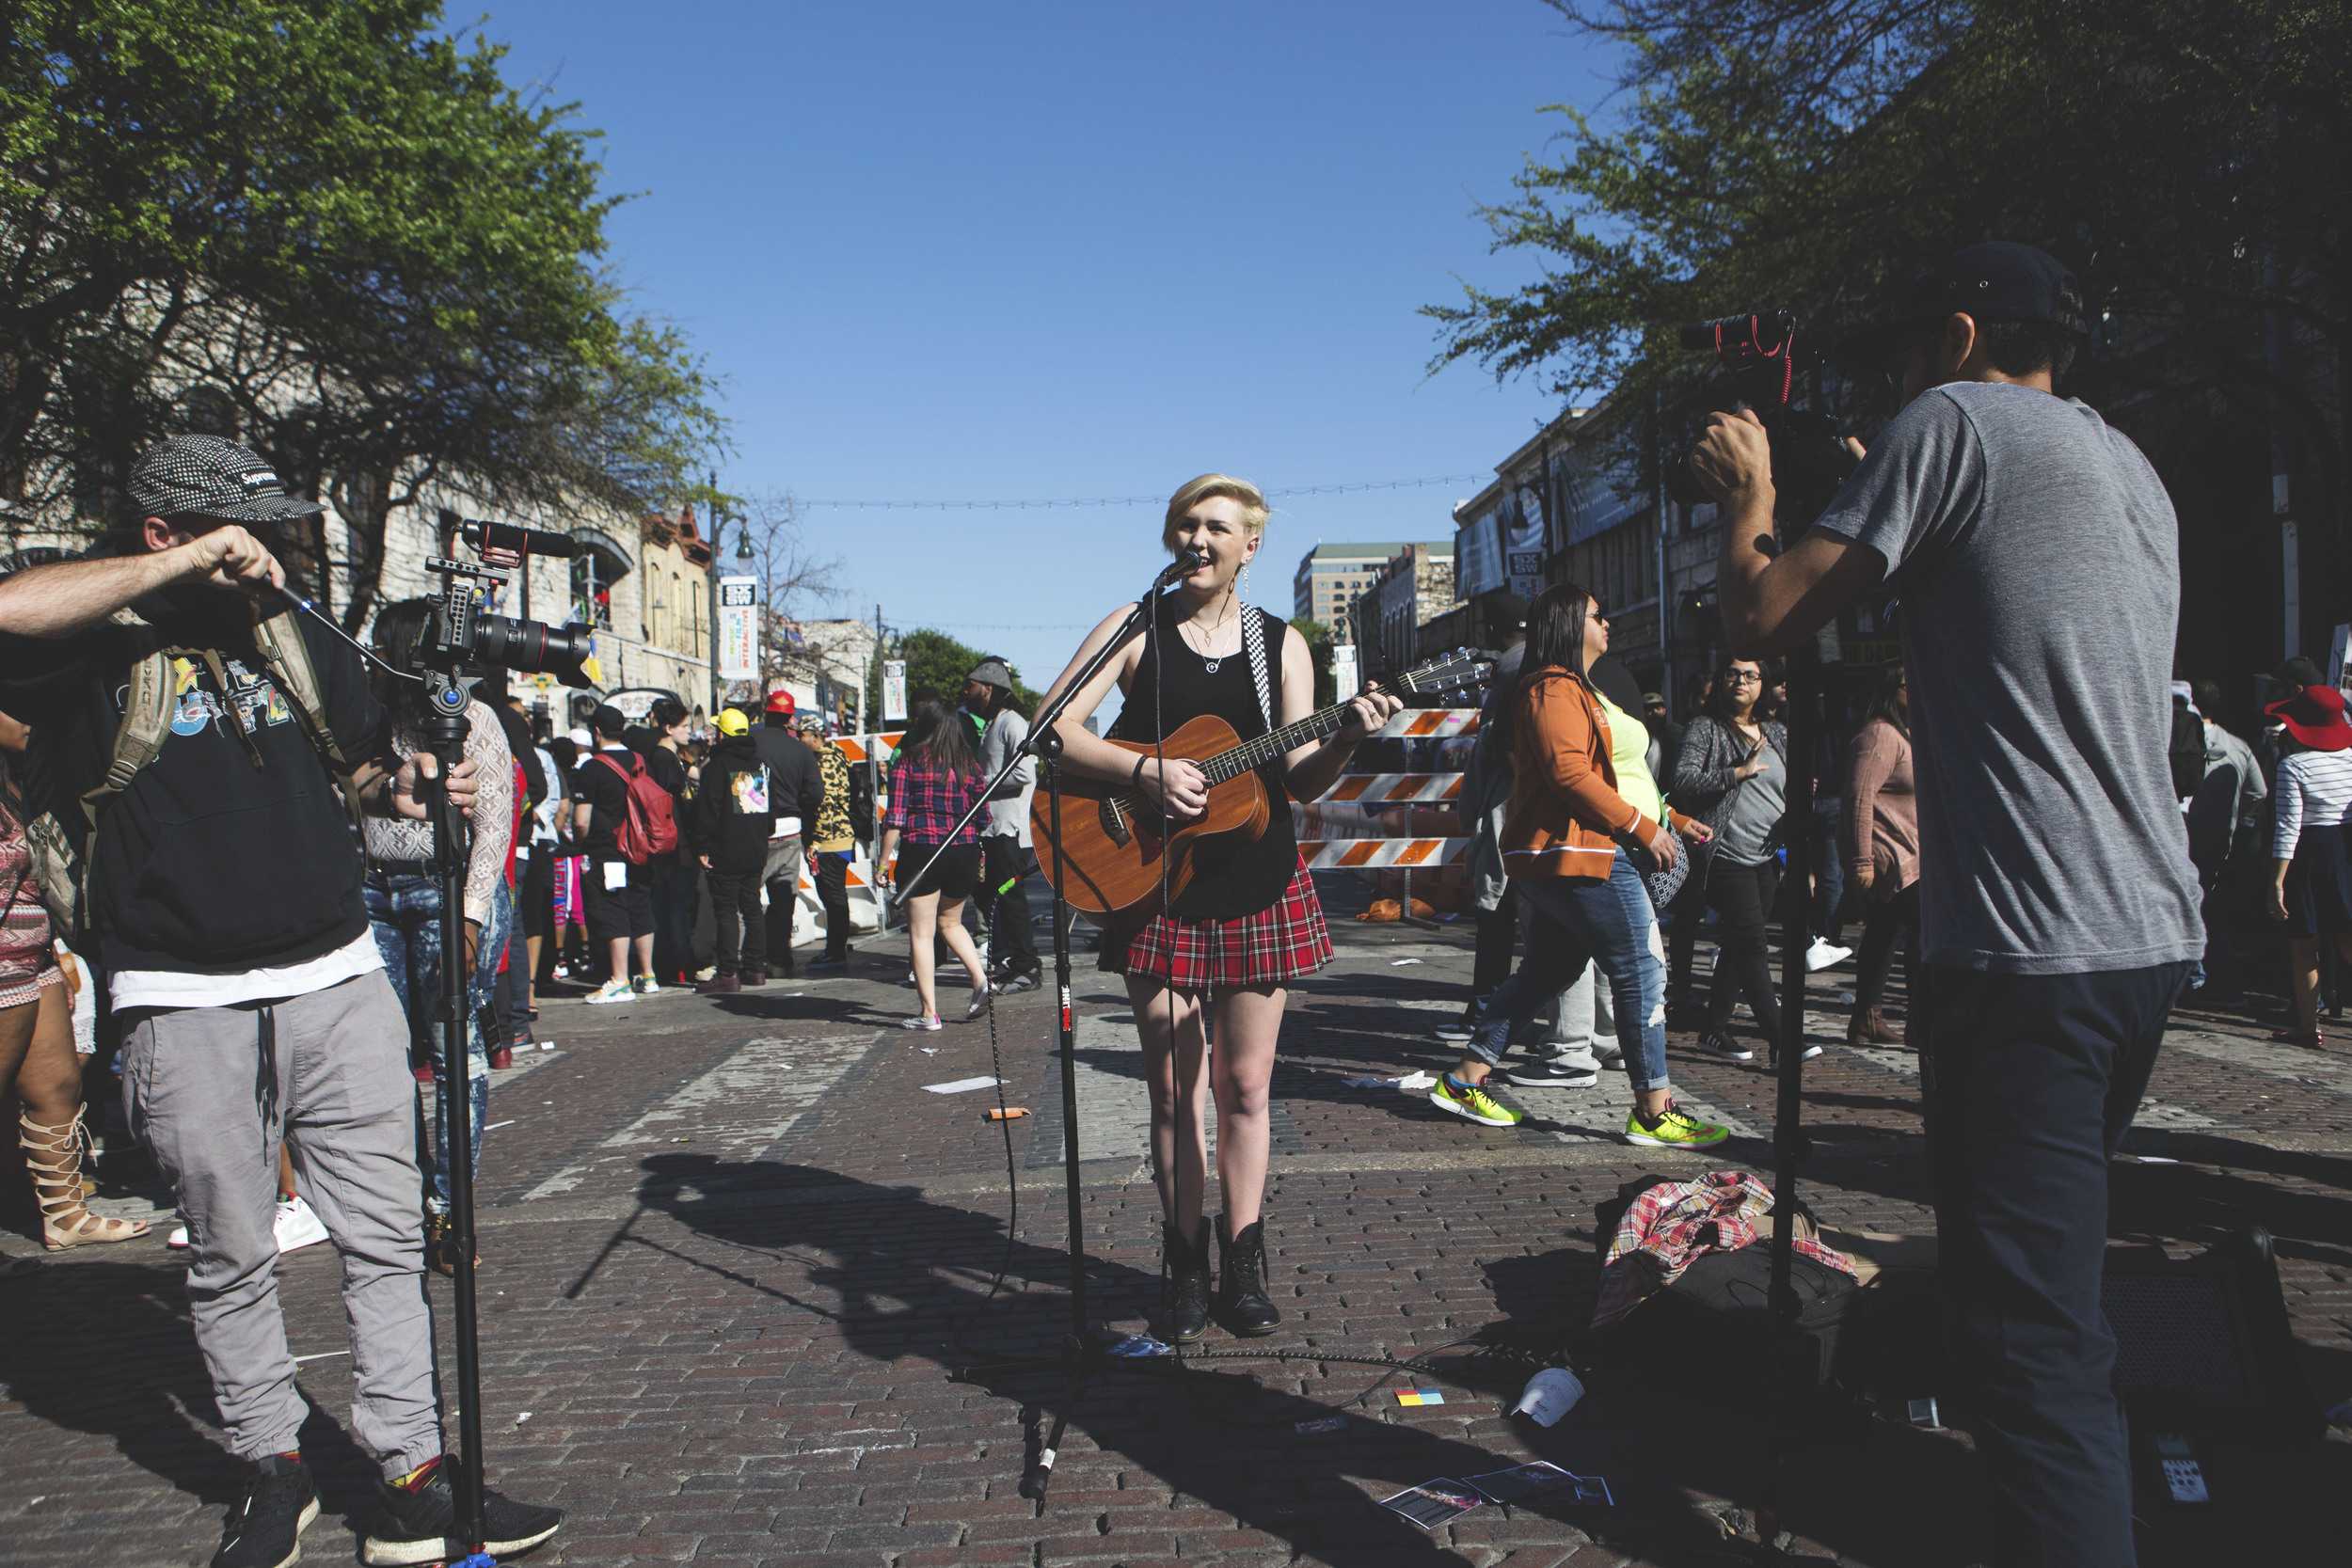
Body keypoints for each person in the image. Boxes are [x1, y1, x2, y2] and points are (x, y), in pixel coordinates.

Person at [1691, 241, 2203, 1568]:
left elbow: (1767, 615)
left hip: (2031, 941)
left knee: (2037, 1343)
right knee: (2030, 1285)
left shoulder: (1953, 419)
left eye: (1909, 354)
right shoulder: (2123, 463)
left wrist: (1748, 490)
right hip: (2143, 929)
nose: (1899, 383)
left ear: (1964, 335)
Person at [0, 436, 558, 1567]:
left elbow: (348, 764)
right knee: (228, 1242)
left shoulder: (293, 629)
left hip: (336, 973)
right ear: (168, 534)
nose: (276, 544)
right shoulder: (87, 639)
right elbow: (7, 610)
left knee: (386, 1233)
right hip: (175, 988)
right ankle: (273, 1461)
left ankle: (409, 1475)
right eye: (247, 527)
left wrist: (399, 785)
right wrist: (173, 571)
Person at [1037, 472, 1402, 1342]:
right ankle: (1183, 1258)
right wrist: (1142, 771)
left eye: (1216, 527)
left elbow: (1300, 781)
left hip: (1258, 883)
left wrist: (1346, 735)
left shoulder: (1282, 646)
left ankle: (1245, 1261)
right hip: (1153, 884)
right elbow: (1053, 722)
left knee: (1244, 1086)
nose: (1196, 539)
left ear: (1252, 545)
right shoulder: (1134, 627)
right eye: (1185, 525)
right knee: (1172, 1092)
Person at [1434, 584, 1726, 1148]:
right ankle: (1653, 1108)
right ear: (1571, 624)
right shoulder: (1552, 689)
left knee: (1550, 970)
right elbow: (1570, 774)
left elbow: (1622, 775)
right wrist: (1643, 829)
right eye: (1598, 615)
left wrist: (1671, 817)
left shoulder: (1579, 690)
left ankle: (1465, 1078)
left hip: (1591, 849)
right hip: (1584, 853)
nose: (1608, 622)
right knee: (1641, 969)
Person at [358, 601, 515, 1269]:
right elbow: (349, 789)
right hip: (375, 890)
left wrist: (472, 915)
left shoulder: (473, 719)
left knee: (455, 1047)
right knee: (381, 1055)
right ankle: (412, 1200)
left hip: (443, 890)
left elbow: (494, 825)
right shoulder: (371, 719)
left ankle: (450, 1208)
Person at [0, 714, 150, 1254]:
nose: (25, 718)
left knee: (57, 1087)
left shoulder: (20, 779)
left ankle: (64, 1214)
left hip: (32, 953)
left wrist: (57, 952)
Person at [1671, 657, 1805, 1065]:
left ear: (1763, 685)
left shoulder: (1777, 733)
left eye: (1751, 675)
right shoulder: (1705, 729)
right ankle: (1782, 1040)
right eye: (1732, 674)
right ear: (1720, 681)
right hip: (1723, 852)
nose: (1741, 681)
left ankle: (1713, 1030)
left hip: (1767, 855)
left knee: (1736, 945)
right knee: (1752, 944)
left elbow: (1792, 786)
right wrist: (1736, 773)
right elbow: (1683, 780)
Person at [877, 700, 990, 1029]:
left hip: (923, 850)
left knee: (922, 933)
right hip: (964, 850)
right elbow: (983, 815)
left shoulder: (907, 762)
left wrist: (883, 863)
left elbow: (895, 818)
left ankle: (929, 1014)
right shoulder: (967, 763)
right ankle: (980, 979)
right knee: (951, 923)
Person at [2264, 684, 2352, 1048]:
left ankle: (2307, 1027)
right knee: (2348, 940)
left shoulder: (2293, 766)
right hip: (2346, 849)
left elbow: (2288, 826)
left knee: (2305, 945)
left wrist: (2277, 880)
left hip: (2310, 854)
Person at [1843, 663, 1918, 1047]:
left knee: (1887, 937)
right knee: (1914, 937)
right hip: (1892, 858)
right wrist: (1861, 861)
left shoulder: (1907, 734)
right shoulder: (1880, 735)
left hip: (1914, 856)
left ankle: (1868, 1016)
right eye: (1910, 683)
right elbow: (1859, 798)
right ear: (1893, 690)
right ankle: (1913, 1019)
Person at [963, 657, 1042, 992]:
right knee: (995, 897)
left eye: (970, 686)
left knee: (1011, 900)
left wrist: (982, 782)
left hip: (1009, 829)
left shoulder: (1011, 723)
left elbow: (1025, 773)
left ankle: (1027, 968)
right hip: (995, 831)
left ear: (988, 688)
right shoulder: (993, 724)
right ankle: (1011, 962)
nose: (965, 692)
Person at [573, 703, 657, 1004]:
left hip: (608, 850)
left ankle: (619, 979)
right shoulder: (640, 760)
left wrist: (581, 843)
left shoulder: (592, 768)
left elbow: (581, 820)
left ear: (597, 732)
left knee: (613, 911)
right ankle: (648, 975)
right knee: (640, 907)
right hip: (642, 848)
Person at [691, 707, 771, 994]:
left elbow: (708, 812)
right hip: (755, 847)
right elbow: (763, 809)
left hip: (725, 849)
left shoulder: (717, 767)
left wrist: (701, 846)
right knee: (752, 907)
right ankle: (756, 967)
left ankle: (728, 973)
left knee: (725, 910)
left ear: (722, 733)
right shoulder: (758, 764)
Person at [753, 690, 824, 980]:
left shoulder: (752, 744)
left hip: (756, 830)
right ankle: (780, 960)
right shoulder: (800, 751)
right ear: (790, 718)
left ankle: (754, 959)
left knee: (749, 899)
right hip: (791, 830)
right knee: (784, 898)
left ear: (766, 713)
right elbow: (816, 794)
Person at [632, 697, 697, 985]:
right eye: (684, 726)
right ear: (669, 728)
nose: (689, 731)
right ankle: (677, 962)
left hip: (674, 843)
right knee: (675, 907)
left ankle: (675, 961)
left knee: (674, 905)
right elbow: (674, 805)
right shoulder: (664, 758)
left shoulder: (669, 758)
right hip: (674, 844)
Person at [799, 711, 859, 973]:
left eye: (802, 735)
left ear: (815, 737)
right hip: (843, 836)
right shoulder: (840, 756)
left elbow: (821, 804)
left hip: (828, 840)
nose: (799, 739)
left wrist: (814, 840)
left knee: (833, 896)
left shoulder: (819, 764)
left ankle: (835, 951)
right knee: (836, 895)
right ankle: (836, 947)